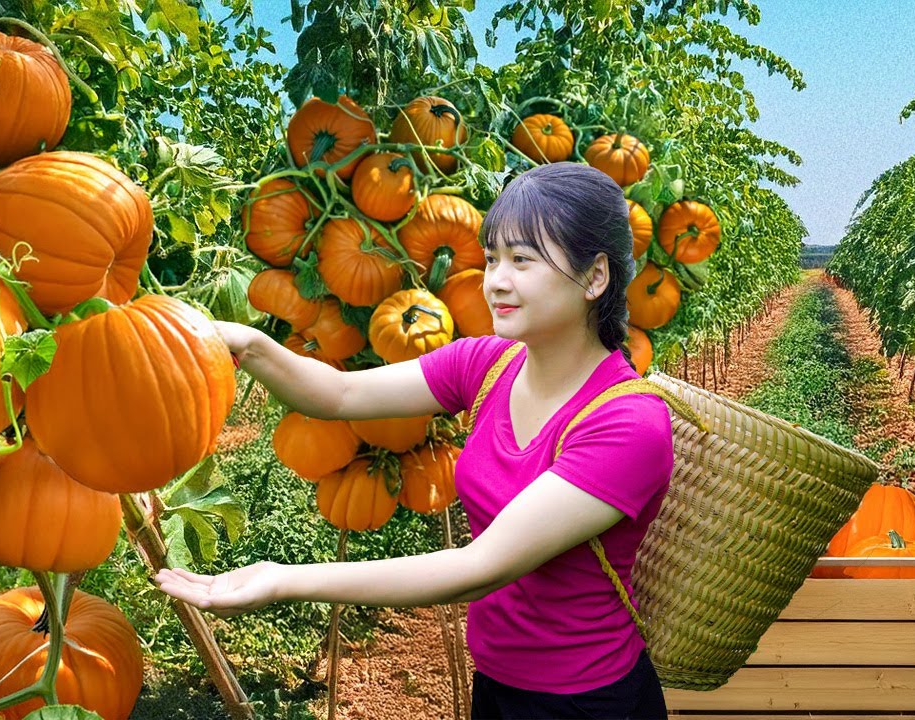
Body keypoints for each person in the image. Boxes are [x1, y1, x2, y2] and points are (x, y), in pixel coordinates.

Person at [156, 162, 673, 719]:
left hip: (587, 702)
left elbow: (481, 566)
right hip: (500, 684)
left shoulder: (629, 423)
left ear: (595, 277)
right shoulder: (487, 365)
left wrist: (283, 579)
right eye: (493, 258)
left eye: (523, 260)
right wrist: (249, 344)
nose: (495, 280)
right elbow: (336, 396)